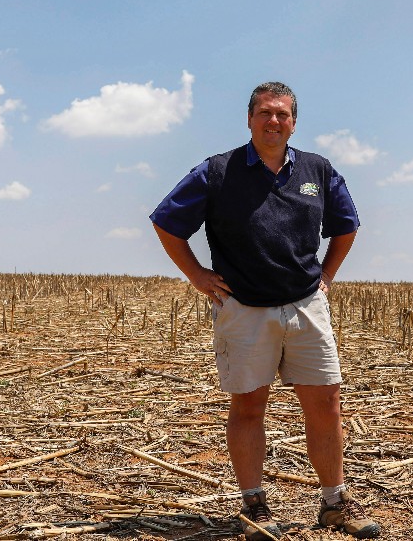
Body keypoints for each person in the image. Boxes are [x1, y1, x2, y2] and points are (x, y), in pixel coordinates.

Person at [150, 82, 380, 539]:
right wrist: (197, 275)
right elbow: (166, 221)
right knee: (250, 404)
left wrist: (327, 277)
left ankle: (335, 503)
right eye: (265, 113)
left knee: (326, 402)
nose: (274, 121)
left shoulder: (318, 169)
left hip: (305, 305)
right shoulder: (217, 171)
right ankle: (254, 507)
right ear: (249, 118)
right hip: (244, 308)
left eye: (283, 114)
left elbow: (347, 227)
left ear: (294, 122)